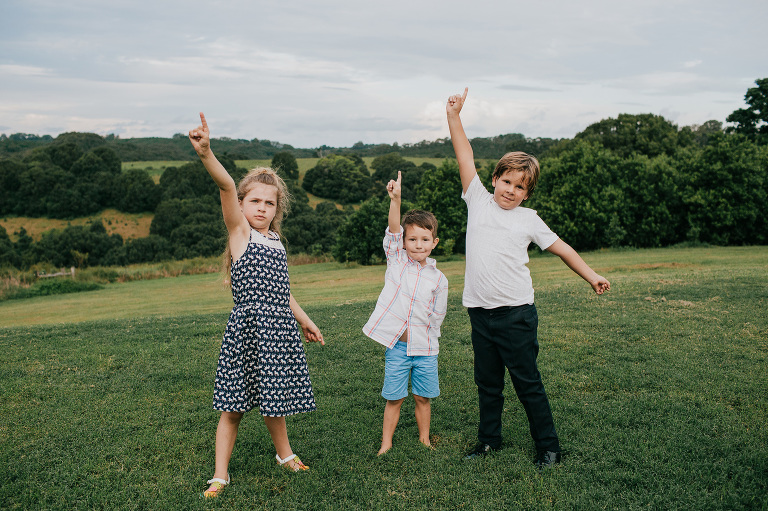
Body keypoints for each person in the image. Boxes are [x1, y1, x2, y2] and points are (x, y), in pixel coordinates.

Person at [446, 88, 610, 469]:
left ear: (526, 193)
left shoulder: (528, 219)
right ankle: (489, 442)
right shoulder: (477, 199)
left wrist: (591, 275)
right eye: (507, 182)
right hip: (479, 314)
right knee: (488, 384)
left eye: (520, 187)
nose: (511, 191)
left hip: (516, 315)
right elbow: (464, 153)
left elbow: (563, 248)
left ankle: (548, 447)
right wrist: (454, 116)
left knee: (528, 384)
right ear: (495, 178)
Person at [188, 113, 325, 497]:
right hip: (248, 331)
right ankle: (220, 475)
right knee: (232, 408)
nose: (262, 208)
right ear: (243, 204)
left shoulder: (276, 241)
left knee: (274, 399)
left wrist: (305, 320)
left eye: (269, 203)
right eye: (255, 201)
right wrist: (206, 154)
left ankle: (285, 456)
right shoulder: (240, 234)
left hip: (278, 330)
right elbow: (227, 185)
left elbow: (283, 291)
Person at [363, 171, 449, 455]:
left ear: (434, 242)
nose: (418, 244)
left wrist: (432, 344)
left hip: (425, 350)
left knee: (423, 398)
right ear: (404, 242)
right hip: (397, 349)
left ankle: (424, 438)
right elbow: (394, 230)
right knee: (394, 398)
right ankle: (386, 442)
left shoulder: (439, 279)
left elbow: (438, 317)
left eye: (425, 239)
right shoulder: (397, 261)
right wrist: (395, 200)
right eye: (413, 239)